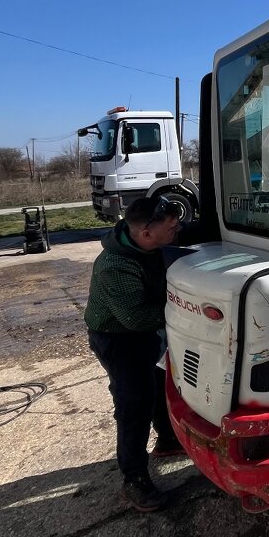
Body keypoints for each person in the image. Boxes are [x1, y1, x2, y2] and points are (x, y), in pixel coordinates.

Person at [85, 194, 187, 512]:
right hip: (117, 339)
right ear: (146, 233)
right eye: (171, 228)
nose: (177, 230)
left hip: (142, 334)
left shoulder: (145, 244)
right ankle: (134, 480)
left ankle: (167, 440)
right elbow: (137, 317)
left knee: (157, 383)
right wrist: (188, 307)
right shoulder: (115, 266)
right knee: (133, 405)